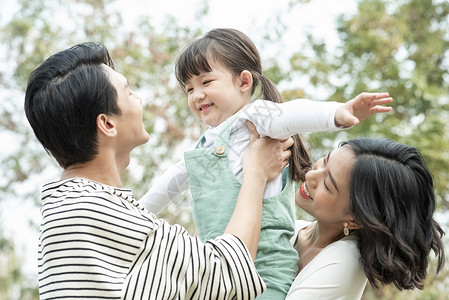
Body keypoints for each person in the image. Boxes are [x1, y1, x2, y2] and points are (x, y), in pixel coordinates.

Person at [25, 42, 295, 299]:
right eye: (129, 92)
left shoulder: (69, 207)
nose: (139, 100)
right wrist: (256, 174)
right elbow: (226, 273)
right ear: (107, 124)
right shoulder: (94, 211)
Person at [140, 28, 393, 299]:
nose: (196, 95)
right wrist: (132, 214)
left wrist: (336, 113)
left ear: (243, 82)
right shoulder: (205, 144)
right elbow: (169, 182)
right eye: (189, 88)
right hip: (217, 269)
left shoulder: (255, 117)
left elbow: (290, 114)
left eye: (206, 82)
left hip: (264, 274)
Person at [286, 137, 446, 299]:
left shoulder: (344, 261)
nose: (311, 175)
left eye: (327, 185)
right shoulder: (294, 228)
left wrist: (258, 177)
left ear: (356, 219)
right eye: (325, 161)